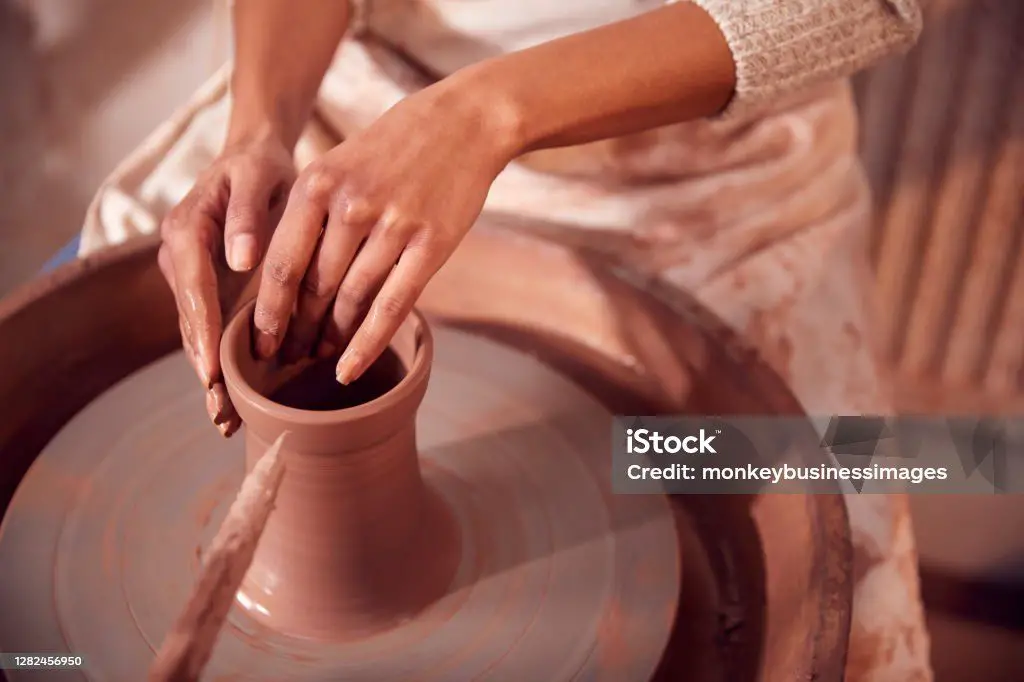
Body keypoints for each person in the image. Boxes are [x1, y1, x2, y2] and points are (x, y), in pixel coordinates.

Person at [81, 0, 931, 679]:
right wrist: (259, 127)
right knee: (151, 271)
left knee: (834, 574)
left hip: (698, 152)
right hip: (374, 106)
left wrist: (486, 115)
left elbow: (868, 5)